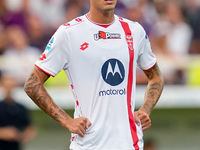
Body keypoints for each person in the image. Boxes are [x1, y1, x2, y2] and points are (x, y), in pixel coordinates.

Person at [24, 0, 164, 150]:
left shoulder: (135, 31)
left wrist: (145, 109)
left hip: (129, 144)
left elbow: (156, 77)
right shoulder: (69, 33)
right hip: (88, 145)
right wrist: (67, 121)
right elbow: (32, 84)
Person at [0, 75, 36, 150]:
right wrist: (4, 133)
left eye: (11, 85)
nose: (9, 88)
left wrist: (23, 136)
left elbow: (29, 127)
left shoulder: (21, 107)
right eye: (7, 85)